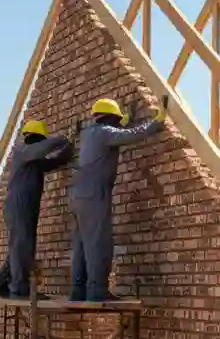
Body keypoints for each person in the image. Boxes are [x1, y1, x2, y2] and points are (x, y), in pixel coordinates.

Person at [67, 97, 165, 302]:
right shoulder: (105, 133)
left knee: (82, 245)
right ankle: (97, 291)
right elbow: (131, 135)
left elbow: (117, 131)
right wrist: (156, 123)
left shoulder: (89, 134)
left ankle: (78, 291)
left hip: (77, 195)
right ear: (112, 118)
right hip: (94, 194)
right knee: (98, 243)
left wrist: (126, 119)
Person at [0, 120, 74, 298]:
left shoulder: (34, 162)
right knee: (21, 247)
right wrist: (60, 139)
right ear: (33, 138)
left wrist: (70, 146)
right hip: (19, 206)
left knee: (21, 248)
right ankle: (19, 289)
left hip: (27, 207)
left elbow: (57, 161)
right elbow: (41, 149)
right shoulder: (22, 150)